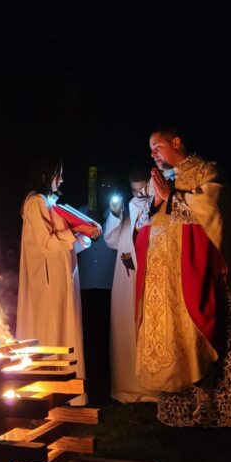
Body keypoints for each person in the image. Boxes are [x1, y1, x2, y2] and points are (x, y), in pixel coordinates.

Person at [133, 127, 231, 427]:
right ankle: (178, 412)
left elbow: (214, 212)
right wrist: (157, 203)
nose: (153, 153)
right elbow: (144, 221)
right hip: (164, 281)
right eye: (150, 149)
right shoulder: (159, 181)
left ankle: (213, 412)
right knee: (170, 341)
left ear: (177, 142)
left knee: (199, 338)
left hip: (197, 274)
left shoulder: (208, 171)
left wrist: (172, 198)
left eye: (157, 146)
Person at [16, 157, 101, 406]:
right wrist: (77, 232)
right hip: (47, 282)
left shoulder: (50, 202)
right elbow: (45, 244)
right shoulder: (35, 202)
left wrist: (87, 235)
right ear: (44, 174)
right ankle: (47, 394)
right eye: (58, 174)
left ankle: (69, 394)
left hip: (63, 278)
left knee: (66, 330)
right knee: (51, 332)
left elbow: (66, 244)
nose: (61, 179)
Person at [103, 167, 159, 403]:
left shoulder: (156, 205)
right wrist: (115, 214)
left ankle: (152, 386)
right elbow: (111, 240)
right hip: (125, 280)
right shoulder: (127, 209)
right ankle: (126, 386)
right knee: (125, 330)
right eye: (134, 190)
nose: (138, 194)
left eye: (142, 188)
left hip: (149, 277)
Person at [77, 167, 117, 406]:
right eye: (101, 187)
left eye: (109, 188)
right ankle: (90, 380)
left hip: (108, 283)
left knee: (106, 336)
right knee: (89, 336)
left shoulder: (116, 213)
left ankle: (108, 380)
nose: (104, 191)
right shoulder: (81, 212)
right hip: (85, 283)